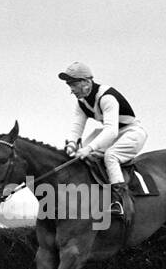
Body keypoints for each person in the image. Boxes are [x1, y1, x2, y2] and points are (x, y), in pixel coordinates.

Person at [59, 62, 148, 217]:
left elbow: (111, 131)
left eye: (73, 85)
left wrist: (88, 148)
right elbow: (76, 127)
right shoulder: (82, 103)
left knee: (110, 156)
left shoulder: (107, 97)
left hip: (132, 132)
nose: (71, 91)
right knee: (80, 156)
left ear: (86, 82)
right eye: (69, 85)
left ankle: (120, 201)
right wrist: (72, 145)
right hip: (111, 133)